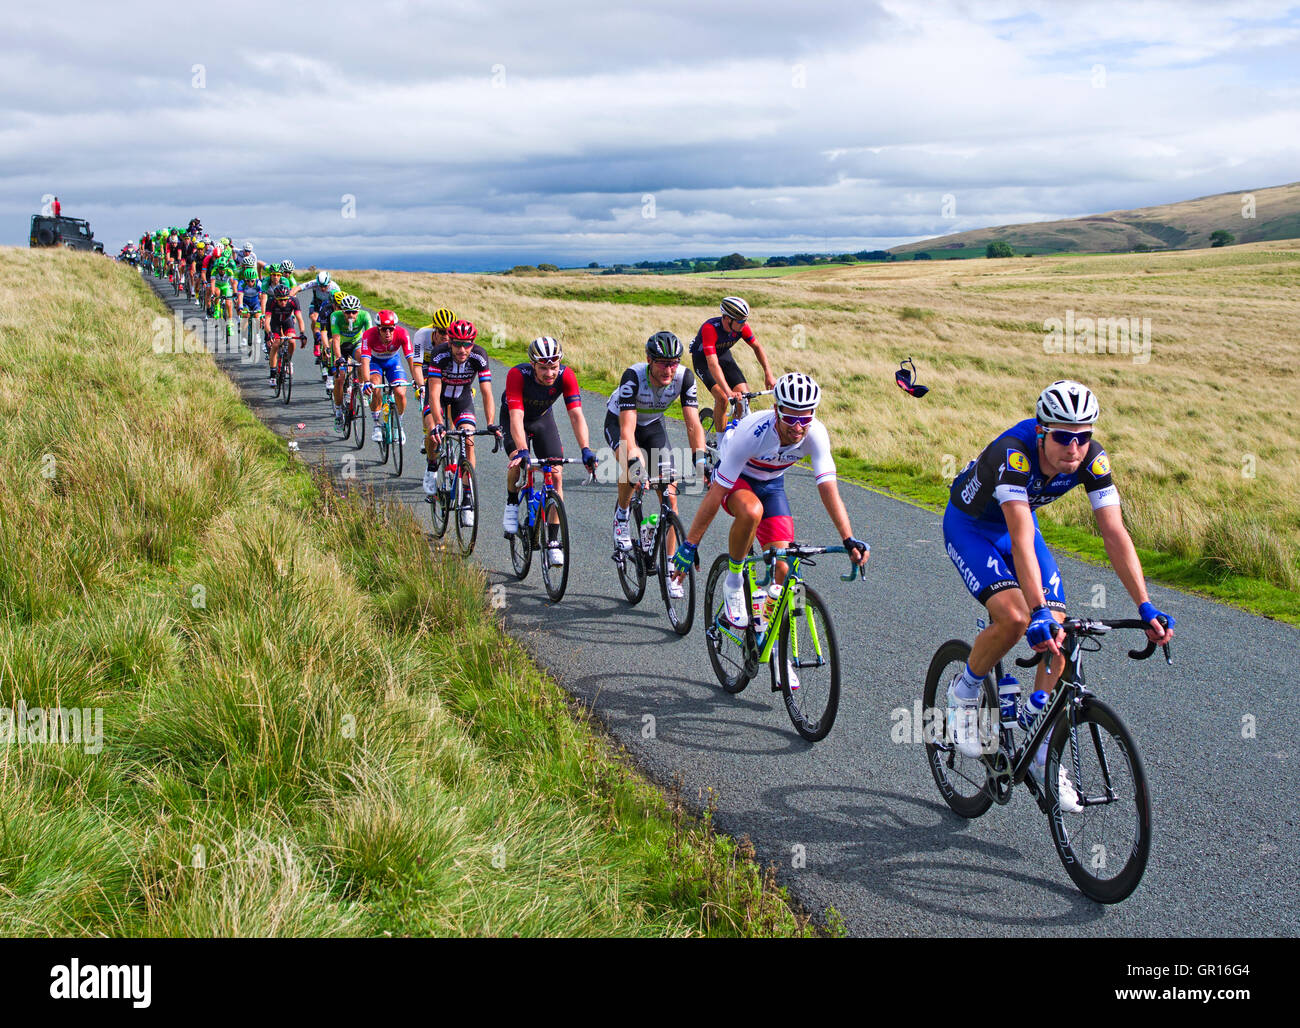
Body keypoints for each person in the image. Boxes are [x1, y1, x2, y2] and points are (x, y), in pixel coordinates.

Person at [941, 380, 1176, 808]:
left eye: (1083, 437)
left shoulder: (1093, 459)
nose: (1075, 448)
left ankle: (1040, 742)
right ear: (1042, 432)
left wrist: (1145, 605)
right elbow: (1020, 535)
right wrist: (1036, 613)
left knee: (1060, 631)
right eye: (1064, 437)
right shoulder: (1014, 452)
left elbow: (1113, 532)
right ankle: (963, 693)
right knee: (1015, 619)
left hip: (1021, 529)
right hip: (972, 527)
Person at [671, 372, 869, 668]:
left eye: (806, 416)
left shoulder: (814, 433)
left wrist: (848, 539)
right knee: (752, 512)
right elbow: (714, 496)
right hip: (736, 479)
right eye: (791, 417)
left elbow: (829, 491)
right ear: (776, 409)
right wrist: (689, 545)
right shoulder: (754, 432)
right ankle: (734, 580)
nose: (799, 426)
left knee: (784, 568)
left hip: (772, 483)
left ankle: (772, 643)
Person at [607, 331, 707, 599]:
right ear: (649, 360)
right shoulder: (633, 377)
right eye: (663, 362)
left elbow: (693, 424)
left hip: (652, 426)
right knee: (631, 469)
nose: (669, 369)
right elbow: (627, 431)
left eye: (674, 362)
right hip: (621, 423)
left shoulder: (684, 378)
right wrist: (637, 463)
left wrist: (701, 460)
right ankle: (622, 515)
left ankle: (671, 568)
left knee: (670, 498)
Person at [500, 336, 598, 566]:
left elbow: (576, 414)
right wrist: (523, 450)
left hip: (543, 420)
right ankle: (512, 503)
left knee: (555, 473)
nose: (550, 373)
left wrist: (586, 449)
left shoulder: (566, 376)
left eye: (554, 367)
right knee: (517, 461)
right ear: (533, 364)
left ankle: (553, 542)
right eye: (544, 368)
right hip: (516, 419)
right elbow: (516, 416)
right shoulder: (517, 375)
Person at [421, 318, 498, 527]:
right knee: (433, 433)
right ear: (450, 342)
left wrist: (491, 423)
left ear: (473, 343)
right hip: (439, 398)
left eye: (467, 344)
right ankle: (432, 465)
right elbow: (435, 394)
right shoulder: (440, 354)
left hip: (462, 399)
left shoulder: (479, 356)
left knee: (469, 440)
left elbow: (486, 392)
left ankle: (466, 500)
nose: (462, 349)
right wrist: (438, 423)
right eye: (457, 343)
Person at [689, 296, 776, 438]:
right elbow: (712, 364)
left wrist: (768, 374)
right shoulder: (710, 329)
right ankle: (721, 441)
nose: (744, 324)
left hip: (723, 356)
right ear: (727, 319)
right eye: (741, 320)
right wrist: (729, 392)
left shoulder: (742, 327)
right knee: (723, 398)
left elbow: (757, 347)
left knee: (744, 395)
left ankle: (737, 436)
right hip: (703, 361)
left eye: (745, 320)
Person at [357, 310, 421, 443]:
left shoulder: (402, 333)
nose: (388, 333)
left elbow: (411, 360)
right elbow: (365, 361)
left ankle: (398, 425)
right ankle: (376, 424)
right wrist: (366, 382)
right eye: (384, 329)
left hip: (393, 362)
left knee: (400, 392)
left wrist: (416, 380)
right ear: (378, 328)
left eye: (391, 329)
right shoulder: (368, 335)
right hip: (375, 362)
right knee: (375, 387)